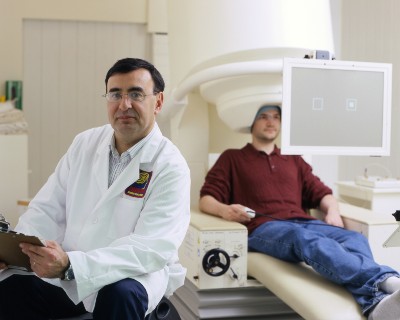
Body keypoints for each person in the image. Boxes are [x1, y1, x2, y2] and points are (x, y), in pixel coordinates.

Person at [0, 58, 191, 320]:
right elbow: (47, 208)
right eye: (115, 94)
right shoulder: (85, 143)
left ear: (158, 102)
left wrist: (71, 266)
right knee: (9, 288)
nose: (124, 105)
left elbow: (151, 249)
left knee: (120, 294)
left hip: (133, 273)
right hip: (70, 267)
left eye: (136, 94)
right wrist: (17, 254)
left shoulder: (170, 165)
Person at [199, 105, 400, 320]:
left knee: (354, 238)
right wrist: (225, 211)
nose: (271, 122)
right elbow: (206, 199)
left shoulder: (293, 159)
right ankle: (386, 280)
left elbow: (321, 192)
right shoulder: (233, 158)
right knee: (303, 238)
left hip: (304, 222)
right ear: (253, 123)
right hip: (264, 227)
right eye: (264, 117)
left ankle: (376, 304)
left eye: (276, 117)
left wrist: (332, 210)